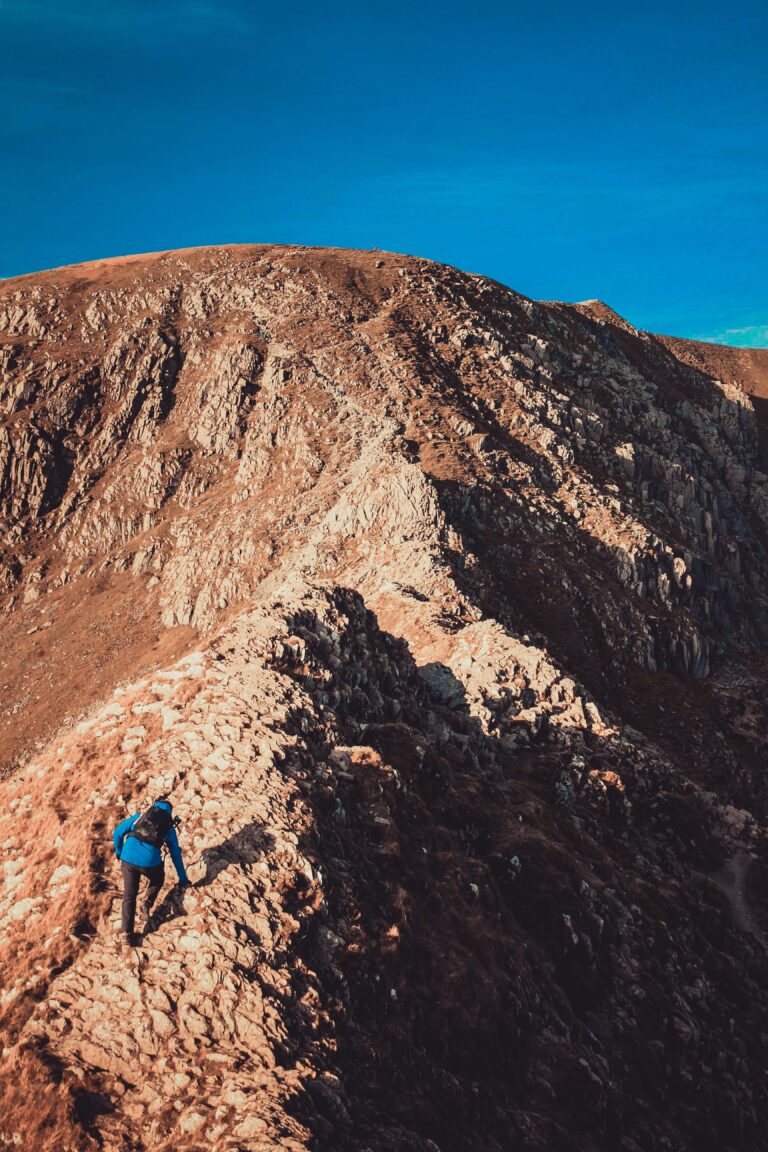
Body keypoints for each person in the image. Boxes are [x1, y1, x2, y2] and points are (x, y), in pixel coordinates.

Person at [113, 796, 189, 948]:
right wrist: (183, 879)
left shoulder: (140, 816)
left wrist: (119, 852)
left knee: (129, 895)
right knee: (158, 878)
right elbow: (175, 854)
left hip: (127, 858)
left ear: (155, 805)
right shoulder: (168, 826)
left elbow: (118, 832)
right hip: (150, 862)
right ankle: (147, 903)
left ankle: (126, 935)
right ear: (170, 811)